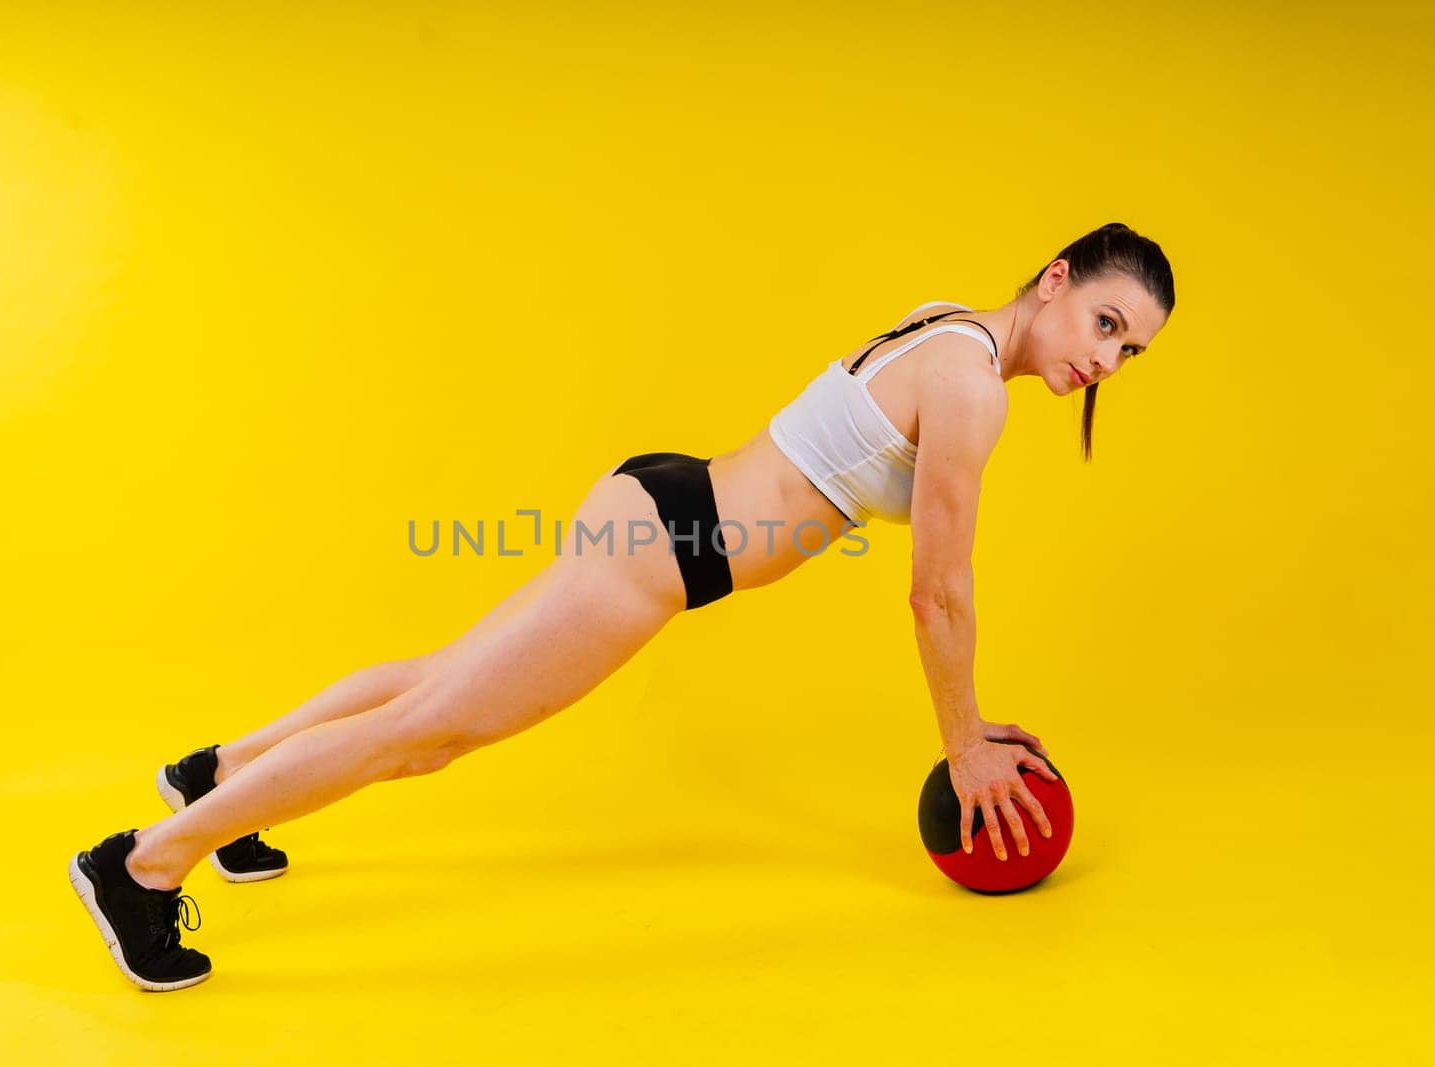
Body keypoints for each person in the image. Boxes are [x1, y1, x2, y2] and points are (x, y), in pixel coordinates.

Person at [69, 221, 1175, 991]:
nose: (1108, 358)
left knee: (431, 678)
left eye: (1131, 349)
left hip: (661, 496)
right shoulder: (974, 389)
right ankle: (146, 860)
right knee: (426, 733)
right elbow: (937, 589)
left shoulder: (947, 326)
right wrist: (962, 742)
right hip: (668, 548)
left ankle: (217, 774)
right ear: (1057, 279)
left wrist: (967, 724)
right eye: (1107, 321)